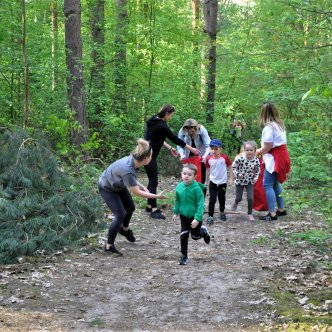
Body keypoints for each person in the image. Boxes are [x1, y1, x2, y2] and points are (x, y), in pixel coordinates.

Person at [98, 138, 168, 256]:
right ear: (145, 159)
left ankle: (124, 230)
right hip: (107, 187)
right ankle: (108, 246)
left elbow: (130, 179)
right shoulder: (128, 168)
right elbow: (136, 192)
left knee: (130, 207)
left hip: (117, 184)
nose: (152, 158)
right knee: (120, 214)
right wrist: (156, 196)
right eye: (151, 156)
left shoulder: (134, 161)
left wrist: (140, 185)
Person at [145, 104, 199, 220]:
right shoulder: (162, 125)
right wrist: (191, 149)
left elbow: (159, 138)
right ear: (167, 113)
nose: (171, 117)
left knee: (151, 180)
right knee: (154, 181)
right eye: (171, 115)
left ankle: (149, 205)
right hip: (149, 156)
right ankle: (153, 210)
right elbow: (174, 138)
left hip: (146, 154)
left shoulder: (154, 121)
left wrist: (170, 148)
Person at [256, 102, 291, 221]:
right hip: (282, 155)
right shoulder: (279, 125)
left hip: (275, 158)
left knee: (268, 185)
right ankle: (281, 209)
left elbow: (267, 147)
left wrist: (258, 151)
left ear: (264, 113)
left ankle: (272, 213)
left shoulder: (269, 128)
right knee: (275, 184)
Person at [172, 163, 211, 265]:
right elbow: (177, 200)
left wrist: (197, 218)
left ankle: (203, 232)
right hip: (184, 216)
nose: (186, 176)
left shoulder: (196, 189)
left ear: (194, 177)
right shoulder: (179, 187)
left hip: (195, 217)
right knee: (183, 235)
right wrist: (175, 212)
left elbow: (200, 204)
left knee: (195, 237)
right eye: (184, 173)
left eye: (189, 174)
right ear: (181, 174)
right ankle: (184, 256)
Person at [205, 139, 233, 225]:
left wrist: (231, 178)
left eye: (216, 149)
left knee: (222, 198)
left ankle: (222, 212)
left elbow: (230, 167)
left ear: (220, 149)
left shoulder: (224, 158)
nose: (214, 151)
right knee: (212, 199)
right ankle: (210, 216)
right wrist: (206, 181)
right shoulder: (209, 158)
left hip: (222, 182)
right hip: (213, 182)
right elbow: (208, 170)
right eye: (212, 148)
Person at [231, 141, 261, 221]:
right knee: (239, 197)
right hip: (240, 181)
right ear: (244, 151)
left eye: (251, 150)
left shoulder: (256, 160)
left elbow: (258, 170)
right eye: (247, 150)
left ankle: (250, 213)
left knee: (250, 198)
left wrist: (256, 177)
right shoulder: (240, 159)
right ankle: (236, 202)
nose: (249, 152)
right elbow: (234, 166)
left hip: (250, 181)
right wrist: (237, 174)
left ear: (255, 151)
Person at [177, 118, 211, 184]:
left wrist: (205, 156)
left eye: (192, 131)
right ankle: (188, 193)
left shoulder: (202, 130)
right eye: (188, 131)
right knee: (187, 176)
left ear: (195, 128)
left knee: (201, 177)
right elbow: (179, 145)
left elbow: (208, 145)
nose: (190, 133)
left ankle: (201, 193)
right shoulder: (182, 131)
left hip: (201, 156)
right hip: (187, 156)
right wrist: (182, 154)